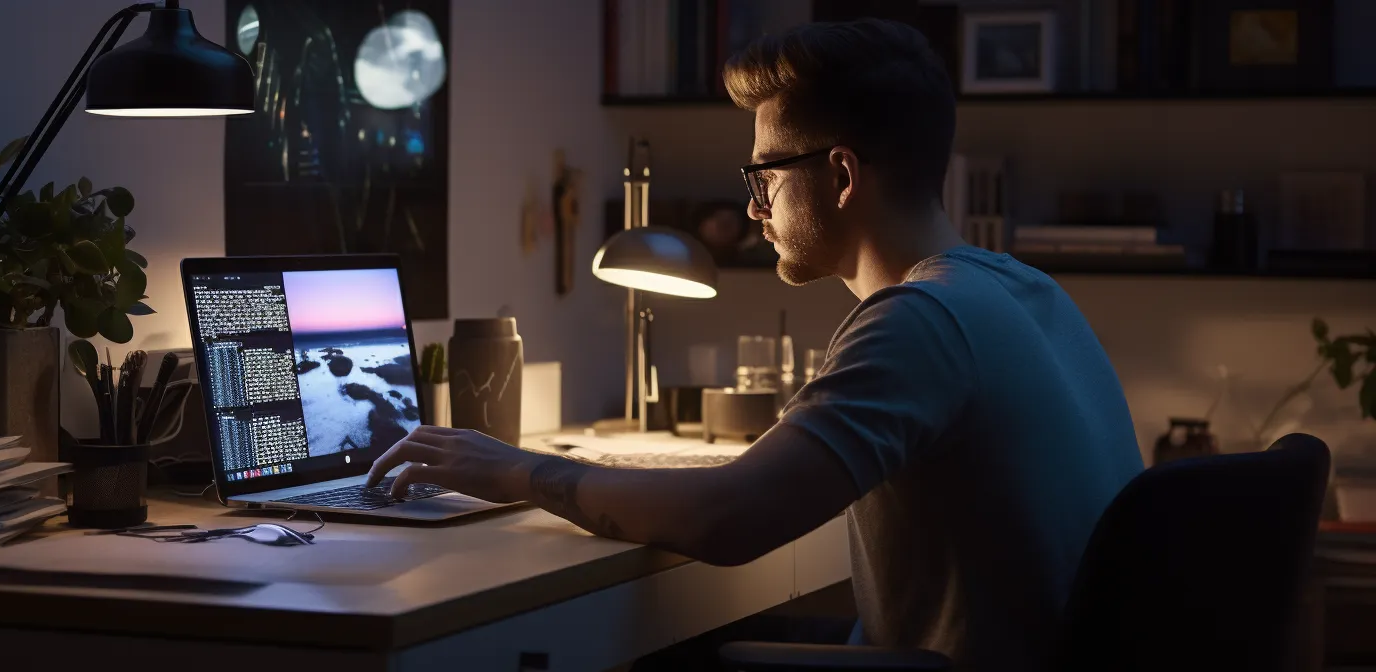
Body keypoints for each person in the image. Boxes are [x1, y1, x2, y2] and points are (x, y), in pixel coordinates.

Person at [366, 18, 1143, 671]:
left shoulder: (920, 320)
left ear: (840, 174)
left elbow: (726, 518)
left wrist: (518, 469)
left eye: (764, 174)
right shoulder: (1026, 291)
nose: (753, 207)